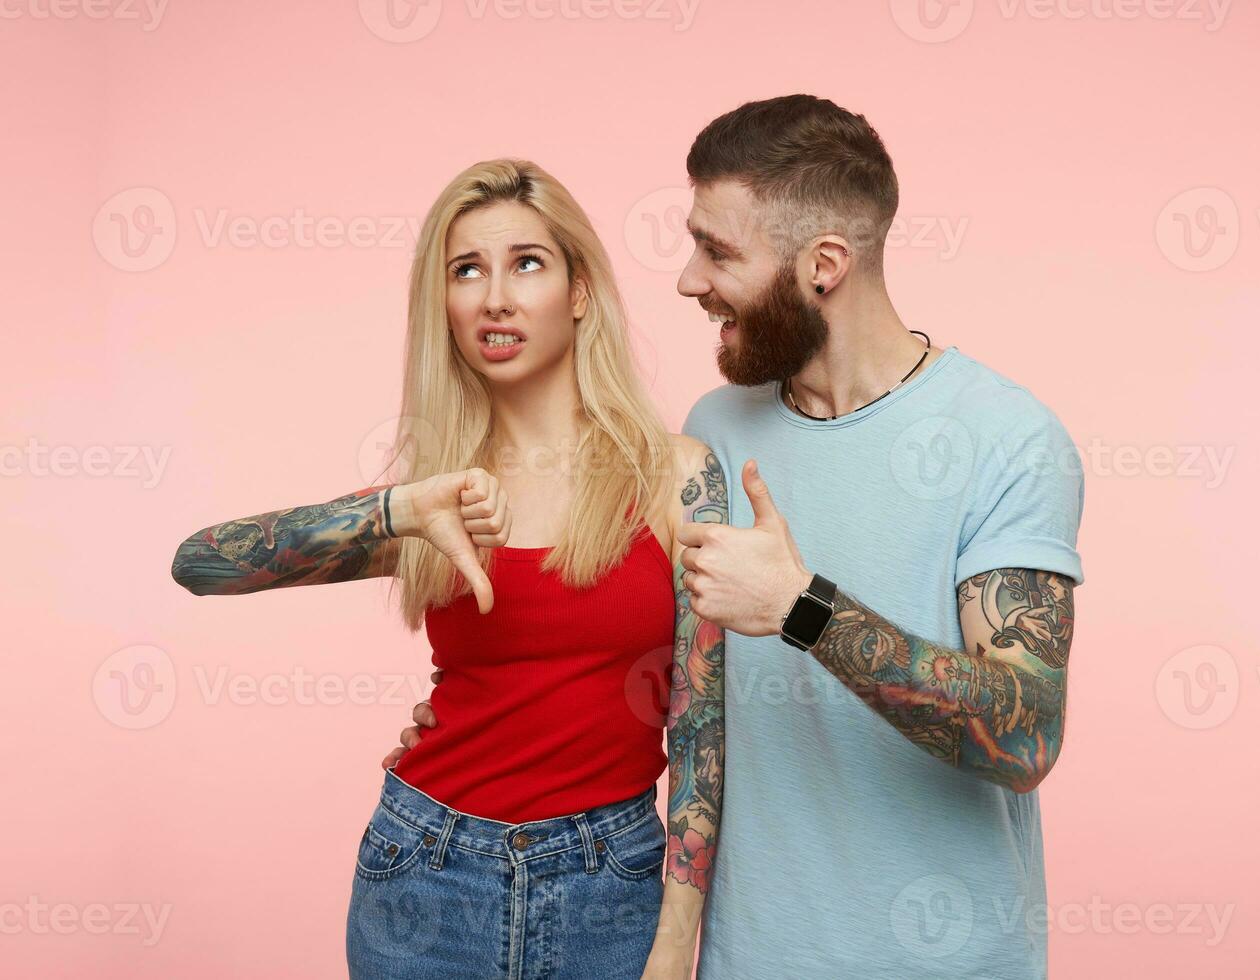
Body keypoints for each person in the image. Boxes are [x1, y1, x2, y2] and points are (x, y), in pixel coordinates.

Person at [396, 95, 1085, 979]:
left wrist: (806, 611)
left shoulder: (1008, 441)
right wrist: (491, 722)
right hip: (742, 958)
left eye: (718, 251)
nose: (688, 279)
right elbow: (684, 690)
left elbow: (1025, 737)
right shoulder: (713, 432)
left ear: (824, 264)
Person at [170, 159, 727, 980]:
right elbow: (201, 564)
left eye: (526, 263)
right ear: (447, 305)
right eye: (467, 270)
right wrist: (397, 510)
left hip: (612, 881)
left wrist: (678, 937)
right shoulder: (437, 494)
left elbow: (702, 726)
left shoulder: (679, 476)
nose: (495, 296)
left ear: (578, 291)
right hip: (427, 873)